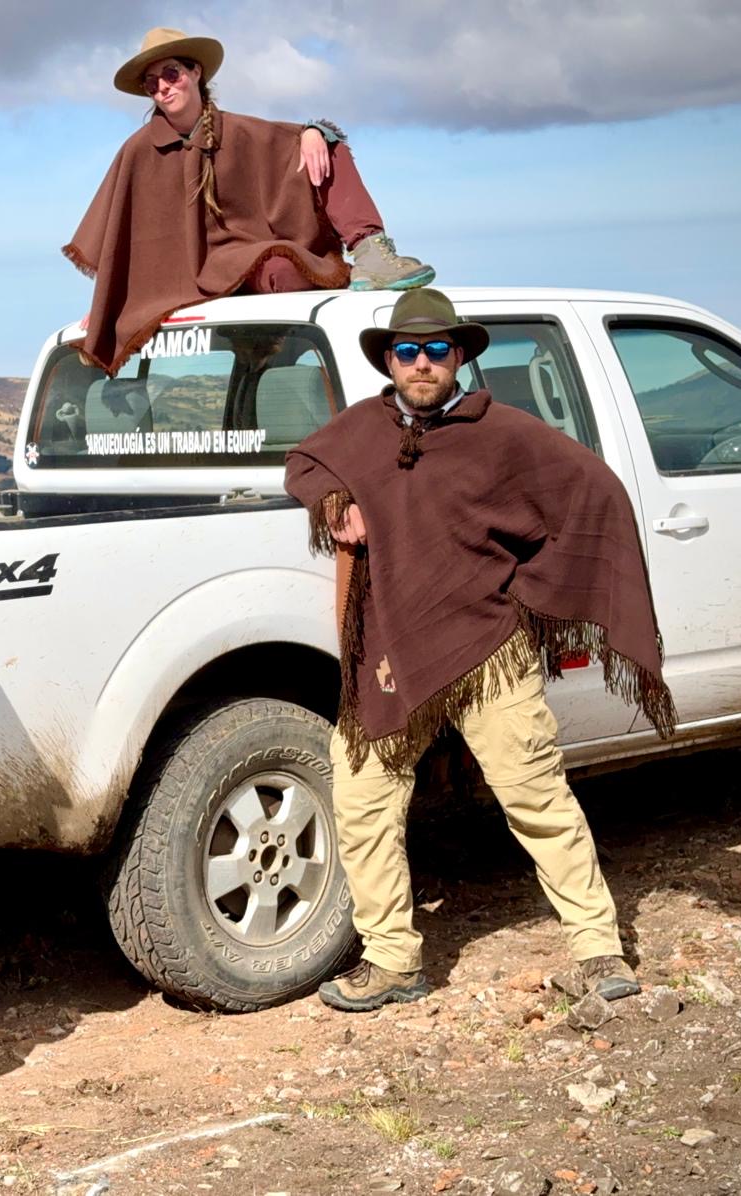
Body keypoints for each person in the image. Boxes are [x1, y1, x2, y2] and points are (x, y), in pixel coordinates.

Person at [283, 288, 677, 1013]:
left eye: (437, 350)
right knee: (364, 797)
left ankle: (598, 950)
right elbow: (305, 463)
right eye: (408, 351)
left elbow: (596, 493)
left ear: (459, 356)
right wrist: (340, 505)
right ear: (391, 361)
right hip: (392, 653)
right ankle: (394, 960)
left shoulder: (504, 434)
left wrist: (534, 592)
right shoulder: (362, 431)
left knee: (535, 797)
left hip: (490, 647)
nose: (423, 363)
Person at [65, 27, 435, 375]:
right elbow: (122, 234)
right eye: (151, 82)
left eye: (171, 73)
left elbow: (284, 143)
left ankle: (370, 252)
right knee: (276, 269)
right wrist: (110, 303)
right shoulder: (138, 152)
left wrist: (311, 134)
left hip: (248, 260)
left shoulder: (238, 131)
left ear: (196, 72)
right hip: (189, 275)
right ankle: (262, 349)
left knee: (284, 262)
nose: (162, 87)